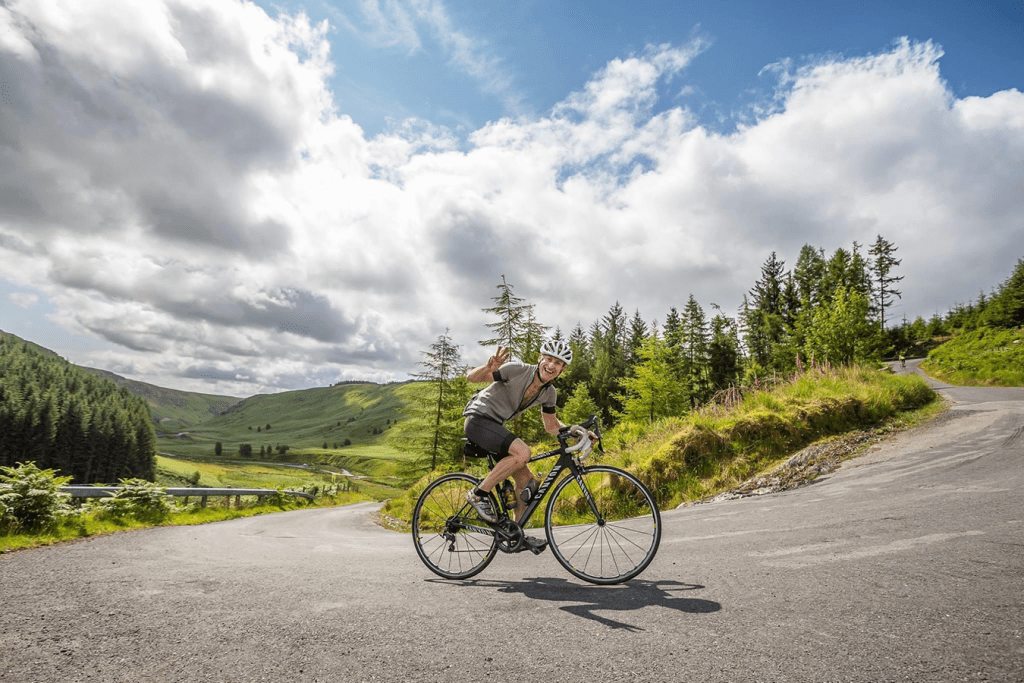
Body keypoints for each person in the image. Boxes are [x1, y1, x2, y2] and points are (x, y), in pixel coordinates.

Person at [462, 338, 580, 551]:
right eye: (549, 359)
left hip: (495, 427)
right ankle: (477, 495)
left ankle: (514, 533)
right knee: (523, 452)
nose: (552, 365)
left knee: (527, 484)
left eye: (558, 363)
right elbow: (472, 378)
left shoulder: (548, 393)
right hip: (478, 419)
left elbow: (551, 426)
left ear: (562, 369)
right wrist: (487, 368)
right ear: (540, 358)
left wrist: (578, 431)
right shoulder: (516, 369)